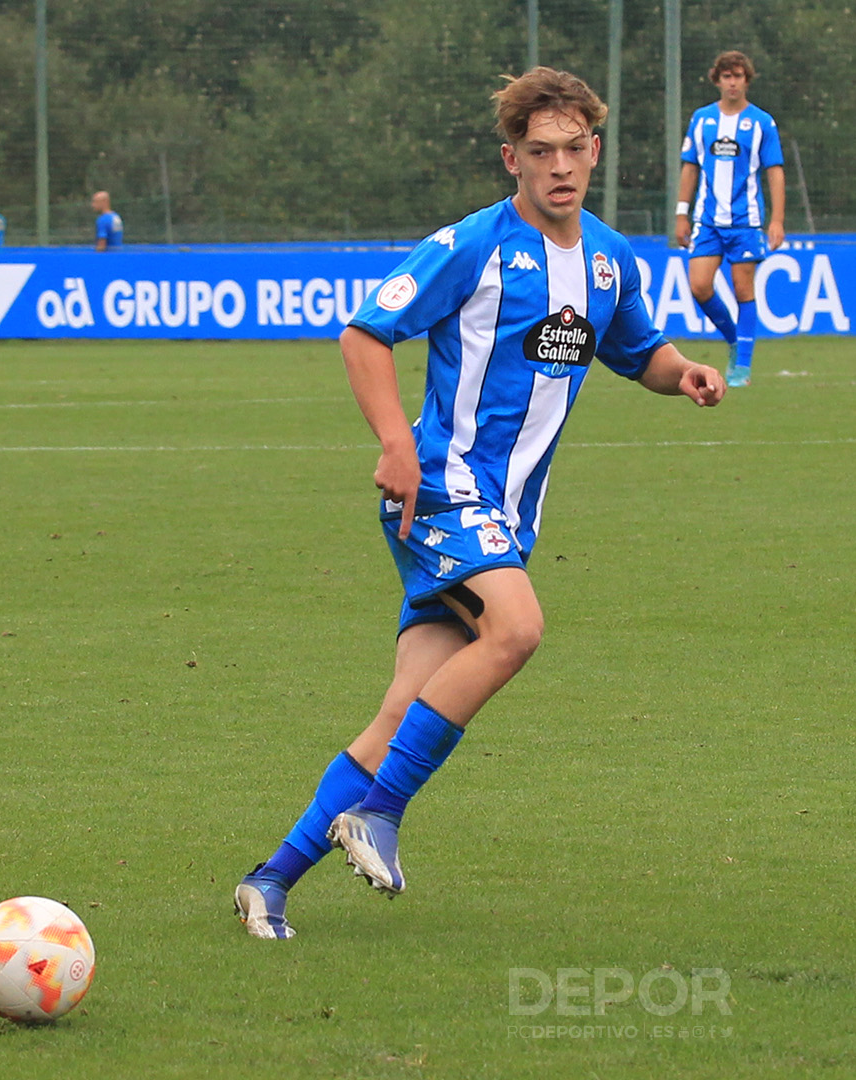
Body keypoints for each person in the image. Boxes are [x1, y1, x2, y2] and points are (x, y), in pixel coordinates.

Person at [232, 67, 725, 940]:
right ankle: (380, 814)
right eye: (541, 152)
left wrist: (678, 373)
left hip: (508, 519)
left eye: (575, 149)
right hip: (441, 490)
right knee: (519, 629)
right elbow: (363, 333)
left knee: (403, 707)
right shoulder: (473, 245)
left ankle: (270, 880)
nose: (561, 166)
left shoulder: (609, 260)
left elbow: (636, 350)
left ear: (596, 151)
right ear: (513, 160)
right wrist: (393, 442)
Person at [674, 50, 784, 388]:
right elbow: (690, 167)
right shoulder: (702, 119)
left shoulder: (762, 122)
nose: (732, 82)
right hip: (707, 220)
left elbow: (775, 172)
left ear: (747, 80)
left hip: (746, 221)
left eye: (738, 76)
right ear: (717, 80)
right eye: (727, 76)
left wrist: (777, 220)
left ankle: (743, 367)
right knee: (699, 285)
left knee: (742, 288)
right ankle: (735, 339)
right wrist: (681, 213)